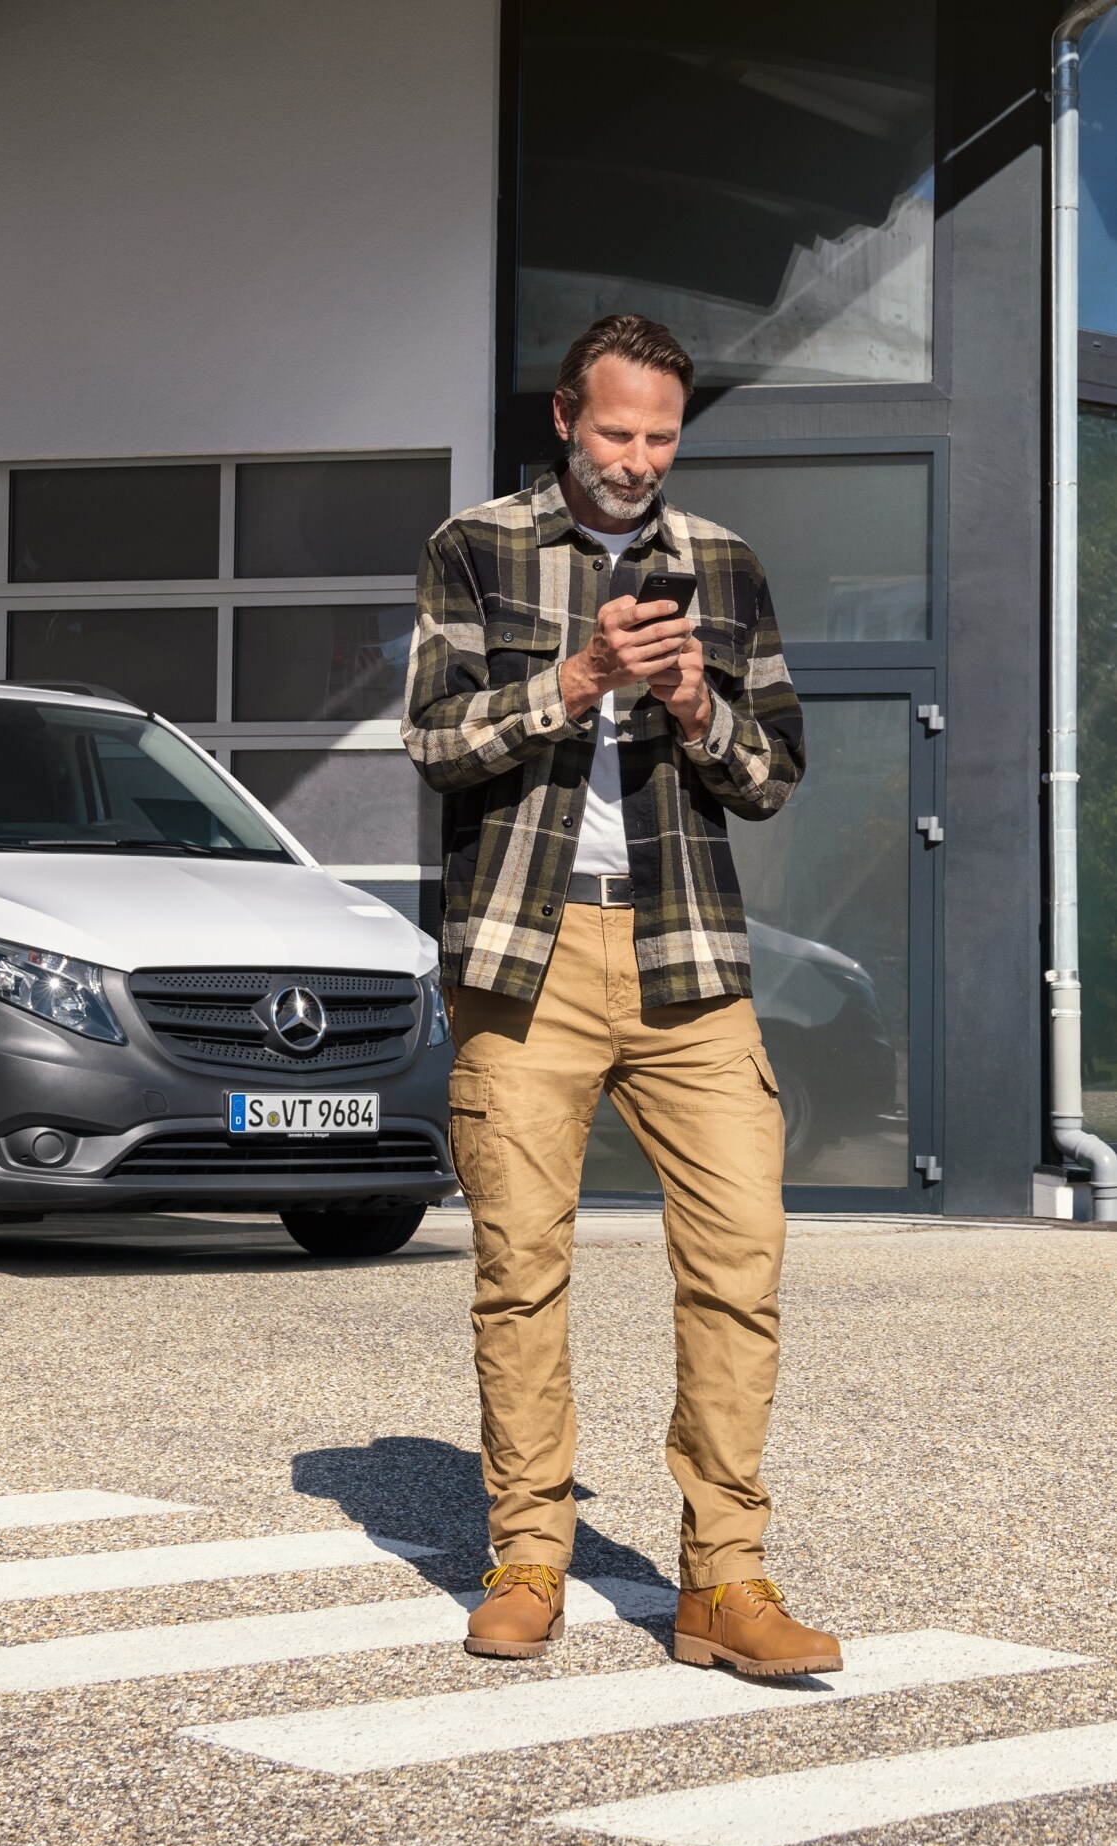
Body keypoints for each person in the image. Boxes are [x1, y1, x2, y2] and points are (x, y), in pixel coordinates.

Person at [402, 313, 841, 1677]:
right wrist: (576, 681)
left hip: (684, 957)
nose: (638, 457)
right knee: (520, 1270)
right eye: (615, 431)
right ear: (562, 419)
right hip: (524, 958)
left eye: (660, 435)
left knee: (737, 1263)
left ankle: (723, 1581)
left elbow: (770, 772)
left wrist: (699, 706)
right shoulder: (473, 549)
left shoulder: (721, 566)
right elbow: (432, 741)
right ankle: (528, 1554)